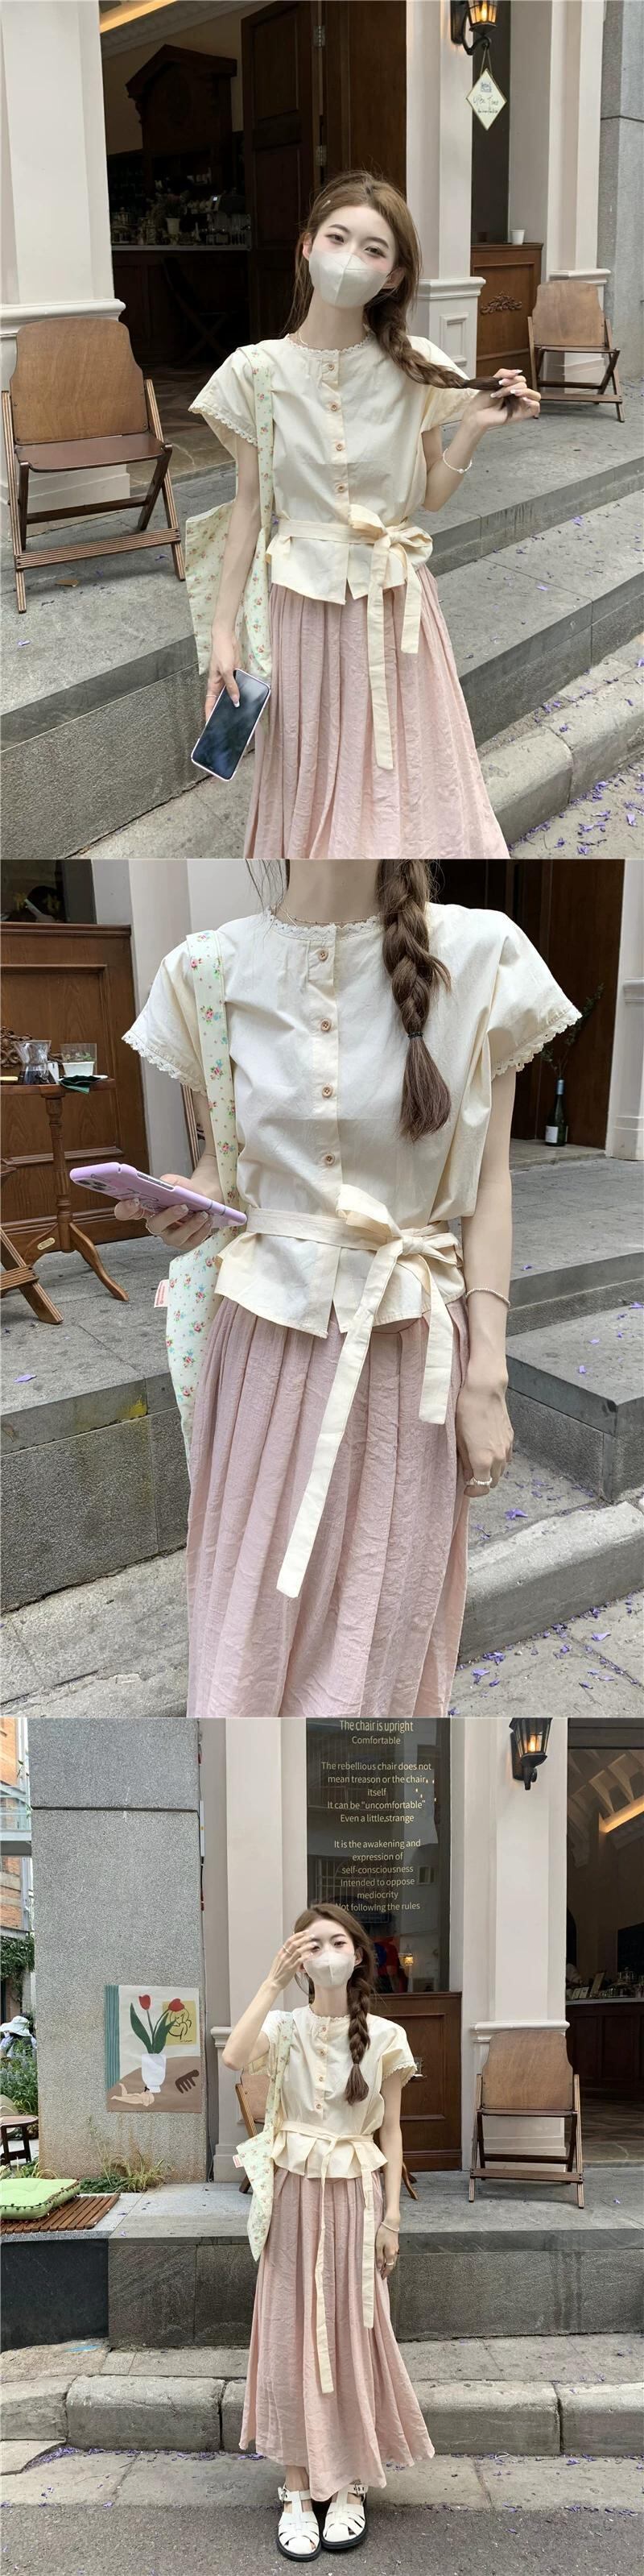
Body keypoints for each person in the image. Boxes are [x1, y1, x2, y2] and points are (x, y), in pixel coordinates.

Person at [120, 859, 580, 1723]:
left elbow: (488, 1187)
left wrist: (488, 1373)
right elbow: (222, 1170)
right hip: (259, 1352)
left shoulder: (483, 952)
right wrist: (185, 1206)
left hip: (409, 1357)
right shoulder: (205, 969)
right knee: (247, 1631)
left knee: (382, 1632)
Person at [188, 168, 539, 865]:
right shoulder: (254, 372)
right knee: (314, 786)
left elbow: (431, 495)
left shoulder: (418, 367)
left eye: (374, 249)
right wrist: (223, 635)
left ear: (393, 275)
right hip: (301, 612)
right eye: (338, 238)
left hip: (397, 603)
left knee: (404, 781)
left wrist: (472, 427)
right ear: (306, 246)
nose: (351, 258)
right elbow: (251, 509)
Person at [223, 1904, 432, 2558]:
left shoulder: (388, 2036)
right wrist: (270, 1981)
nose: (325, 1953)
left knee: (353, 2333)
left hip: (356, 2199)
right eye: (309, 1945)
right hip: (292, 2198)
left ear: (359, 1953)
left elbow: (392, 2131)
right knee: (289, 2332)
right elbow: (234, 2058)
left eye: (336, 1941)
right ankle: (295, 2485)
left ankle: (347, 2483)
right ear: (297, 1959)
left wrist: (393, 2218)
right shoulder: (283, 2025)